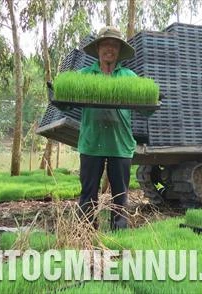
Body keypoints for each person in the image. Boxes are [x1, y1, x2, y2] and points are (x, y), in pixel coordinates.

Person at [77, 26, 138, 230]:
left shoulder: (130, 77)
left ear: (119, 50)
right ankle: (85, 233)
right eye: (105, 44)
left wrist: (154, 98)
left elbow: (146, 110)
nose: (109, 49)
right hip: (91, 142)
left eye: (114, 45)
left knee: (120, 195)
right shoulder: (84, 76)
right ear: (98, 49)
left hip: (120, 144)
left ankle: (119, 235)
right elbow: (66, 103)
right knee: (88, 194)